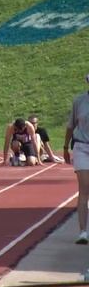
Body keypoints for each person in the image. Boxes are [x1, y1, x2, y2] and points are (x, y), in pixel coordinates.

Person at [63, 74, 89, 244]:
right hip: (82, 147)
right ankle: (83, 232)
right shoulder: (79, 101)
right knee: (85, 188)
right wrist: (65, 147)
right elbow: (71, 126)